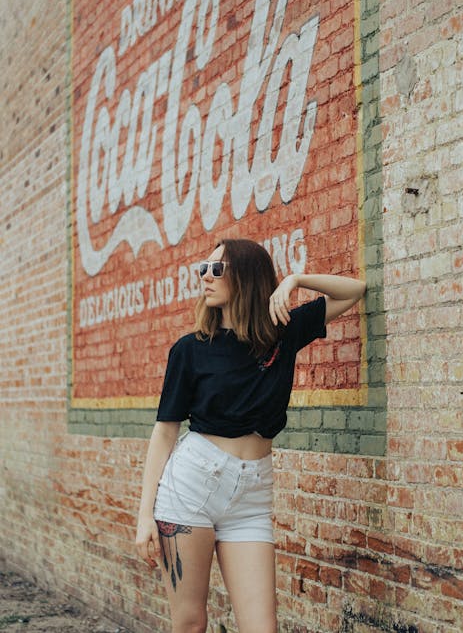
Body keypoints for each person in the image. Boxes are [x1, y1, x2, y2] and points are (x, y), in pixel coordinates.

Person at [135, 238, 366, 633]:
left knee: (262, 628)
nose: (206, 277)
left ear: (246, 276)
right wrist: (144, 516)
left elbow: (356, 291)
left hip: (252, 496)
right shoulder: (190, 350)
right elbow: (165, 431)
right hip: (191, 489)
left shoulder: (281, 333)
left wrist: (294, 280)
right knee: (190, 622)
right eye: (202, 270)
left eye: (217, 269)